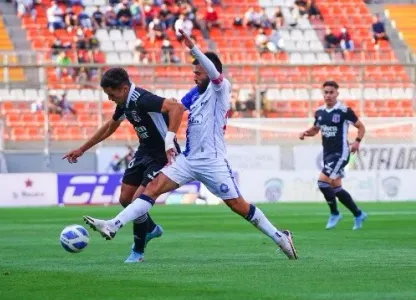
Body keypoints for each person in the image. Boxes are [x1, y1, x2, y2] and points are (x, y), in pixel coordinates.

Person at [83, 30, 298, 260]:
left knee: (238, 205)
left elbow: (214, 74)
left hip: (212, 161)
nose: (194, 76)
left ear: (210, 71)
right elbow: (174, 108)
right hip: (187, 159)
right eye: (193, 72)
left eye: (198, 72)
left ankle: (280, 237)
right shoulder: (194, 93)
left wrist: (193, 48)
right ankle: (113, 225)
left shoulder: (220, 89)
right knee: (151, 189)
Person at [63, 67, 185, 263]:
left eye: (111, 94)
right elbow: (110, 126)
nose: (110, 98)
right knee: (126, 198)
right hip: (145, 151)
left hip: (163, 156)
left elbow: (176, 107)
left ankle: (138, 252)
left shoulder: (142, 99)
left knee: (138, 199)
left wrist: (170, 139)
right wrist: (82, 149)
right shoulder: (124, 102)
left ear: (123, 88)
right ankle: (151, 229)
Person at [299, 81, 368, 230]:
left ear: (337, 93)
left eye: (331, 92)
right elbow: (316, 129)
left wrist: (357, 141)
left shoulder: (344, 111)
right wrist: (306, 133)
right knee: (336, 188)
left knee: (322, 182)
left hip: (340, 153)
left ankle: (335, 213)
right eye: (326, 92)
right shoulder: (320, 112)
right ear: (322, 94)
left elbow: (361, 127)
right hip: (327, 154)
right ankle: (358, 214)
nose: (328, 95)